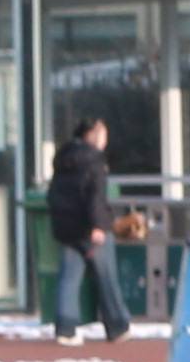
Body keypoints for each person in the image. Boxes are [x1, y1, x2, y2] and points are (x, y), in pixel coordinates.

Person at [48, 117, 129, 338]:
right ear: (92, 134)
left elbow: (56, 193)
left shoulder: (63, 158)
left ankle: (65, 328)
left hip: (67, 227)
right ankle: (118, 326)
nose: (105, 140)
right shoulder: (94, 160)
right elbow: (95, 196)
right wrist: (98, 225)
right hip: (89, 228)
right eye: (103, 134)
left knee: (69, 278)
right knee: (106, 276)